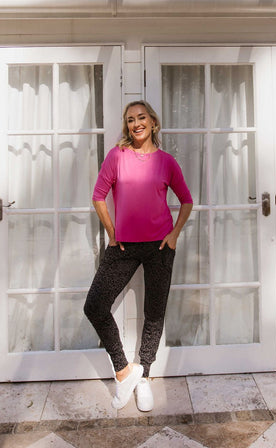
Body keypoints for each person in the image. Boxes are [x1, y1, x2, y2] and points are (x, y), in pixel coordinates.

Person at [84, 100, 193, 412]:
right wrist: (111, 232)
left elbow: (186, 201)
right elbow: (98, 196)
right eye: (130, 119)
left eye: (141, 117)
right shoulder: (117, 156)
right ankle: (124, 371)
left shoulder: (167, 162)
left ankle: (144, 374)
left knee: (154, 313)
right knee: (95, 306)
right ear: (127, 126)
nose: (136, 124)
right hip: (124, 247)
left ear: (153, 123)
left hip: (160, 246)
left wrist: (174, 235)